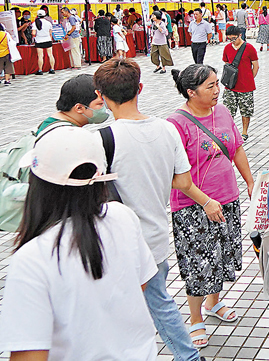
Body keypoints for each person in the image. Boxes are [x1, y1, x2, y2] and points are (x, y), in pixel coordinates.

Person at [0, 125, 159, 360]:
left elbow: (29, 354)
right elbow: (141, 283)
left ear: (38, 186)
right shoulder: (122, 216)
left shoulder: (33, 258)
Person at [94, 59, 212, 361]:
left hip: (114, 245)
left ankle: (186, 355)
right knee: (158, 301)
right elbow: (183, 181)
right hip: (156, 238)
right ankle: (186, 355)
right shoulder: (166, 129)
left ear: (101, 96)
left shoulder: (102, 139)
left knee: (120, 311)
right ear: (140, 89)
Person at [167, 64, 255, 349]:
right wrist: (205, 201)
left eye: (218, 84)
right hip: (193, 205)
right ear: (191, 92)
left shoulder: (224, 111)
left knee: (222, 255)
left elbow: (237, 148)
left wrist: (250, 182)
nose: (218, 90)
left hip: (226, 198)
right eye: (210, 86)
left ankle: (213, 304)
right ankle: (195, 319)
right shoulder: (176, 124)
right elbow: (176, 178)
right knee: (198, 263)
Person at [222, 25, 260, 140]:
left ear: (240, 35)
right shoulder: (227, 48)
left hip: (246, 87)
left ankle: (244, 132)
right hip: (230, 86)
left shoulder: (249, 48)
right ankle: (230, 130)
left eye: (234, 38)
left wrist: (249, 78)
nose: (232, 41)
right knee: (228, 110)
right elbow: (226, 64)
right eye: (229, 39)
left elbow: (256, 66)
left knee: (246, 110)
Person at [37, 74, 108, 132]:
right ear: (79, 108)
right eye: (100, 104)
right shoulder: (68, 134)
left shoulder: (51, 123)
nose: (105, 106)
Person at [32, 10, 56, 75]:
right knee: (50, 55)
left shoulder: (35, 23)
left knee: (40, 56)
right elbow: (50, 32)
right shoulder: (48, 23)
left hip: (39, 40)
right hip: (48, 39)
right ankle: (52, 69)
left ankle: (40, 70)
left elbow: (33, 33)